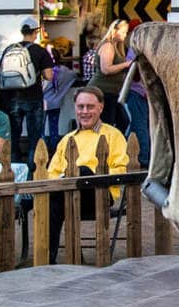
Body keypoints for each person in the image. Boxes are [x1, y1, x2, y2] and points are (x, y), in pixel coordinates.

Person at [45, 87, 129, 263]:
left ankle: (53, 258)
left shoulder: (113, 135)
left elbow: (120, 170)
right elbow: (52, 173)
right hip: (67, 195)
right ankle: (50, 259)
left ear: (101, 107)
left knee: (82, 170)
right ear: (75, 108)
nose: (84, 112)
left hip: (99, 194)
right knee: (52, 203)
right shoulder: (67, 139)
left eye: (90, 107)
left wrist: (89, 177)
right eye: (80, 106)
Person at [0, 17, 55, 170]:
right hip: (33, 97)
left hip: (10, 98)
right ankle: (31, 170)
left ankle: (14, 168)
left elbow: (0, 71)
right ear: (36, 33)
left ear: (22, 32)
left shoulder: (9, 49)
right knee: (33, 137)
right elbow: (49, 76)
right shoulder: (40, 51)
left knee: (13, 136)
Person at [87, 18, 132, 130]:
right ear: (115, 31)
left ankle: (114, 144)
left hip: (113, 93)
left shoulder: (117, 47)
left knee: (123, 121)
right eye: (123, 32)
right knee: (108, 123)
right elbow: (106, 69)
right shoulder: (108, 46)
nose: (125, 35)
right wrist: (126, 65)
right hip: (103, 91)